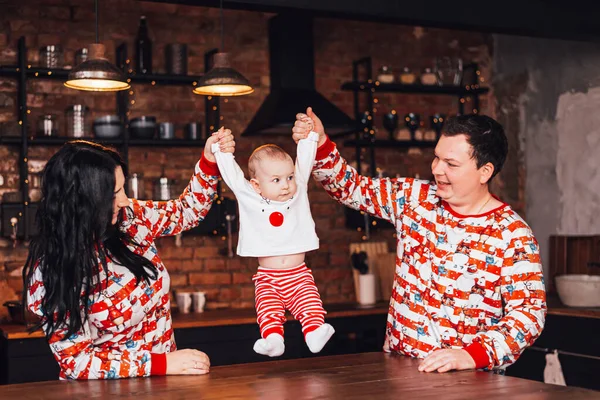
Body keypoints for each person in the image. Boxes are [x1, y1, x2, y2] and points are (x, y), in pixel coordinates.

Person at [292, 108, 546, 373]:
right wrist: (320, 143)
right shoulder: (414, 198)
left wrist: (471, 356)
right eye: (436, 158)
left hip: (469, 383)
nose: (437, 169)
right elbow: (351, 188)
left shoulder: (512, 234)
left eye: (451, 164)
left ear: (485, 171)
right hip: (399, 373)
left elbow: (529, 314)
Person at [23, 130, 235, 380]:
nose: (125, 201)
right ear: (82, 202)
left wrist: (209, 160)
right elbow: (76, 362)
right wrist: (161, 364)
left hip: (165, 386)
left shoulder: (130, 218)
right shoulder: (53, 267)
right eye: (114, 194)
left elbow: (186, 211)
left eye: (123, 189)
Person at [211, 125, 335, 357]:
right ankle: (273, 340)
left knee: (310, 305)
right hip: (268, 278)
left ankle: (314, 332)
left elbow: (305, 162)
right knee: (268, 311)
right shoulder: (249, 194)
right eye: (276, 180)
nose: (286, 184)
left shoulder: (297, 190)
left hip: (299, 274)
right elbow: (233, 175)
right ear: (256, 184)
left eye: (289, 177)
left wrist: (309, 138)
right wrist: (220, 150)